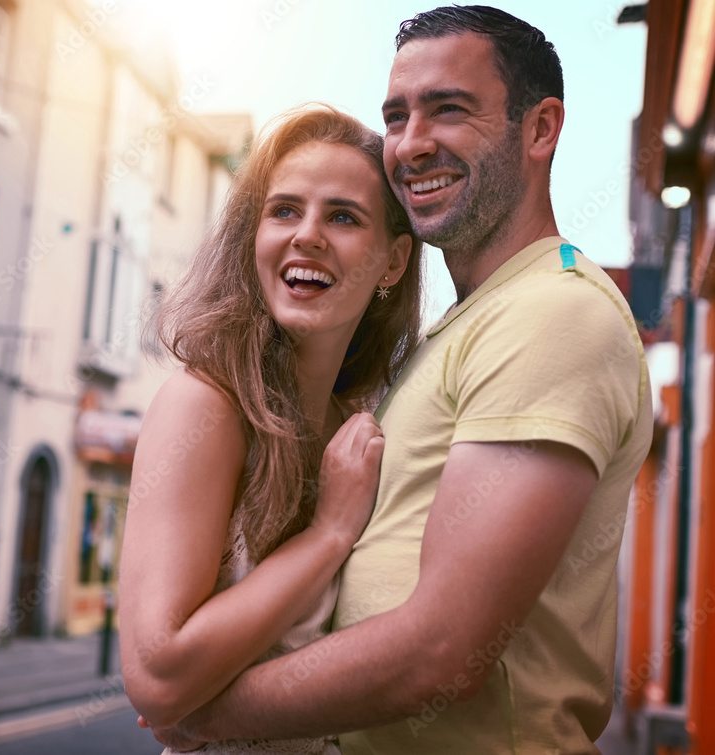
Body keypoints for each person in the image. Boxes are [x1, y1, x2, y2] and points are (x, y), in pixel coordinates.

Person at [147, 7, 653, 754]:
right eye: (397, 115)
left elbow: (442, 651)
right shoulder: (461, 329)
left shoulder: (553, 312)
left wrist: (205, 717)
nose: (412, 144)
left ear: (540, 128)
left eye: (449, 109)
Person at [119, 103, 423, 753]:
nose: (306, 234)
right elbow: (158, 675)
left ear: (393, 262)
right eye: (284, 210)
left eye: (342, 216)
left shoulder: (363, 434)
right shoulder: (204, 406)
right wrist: (329, 532)